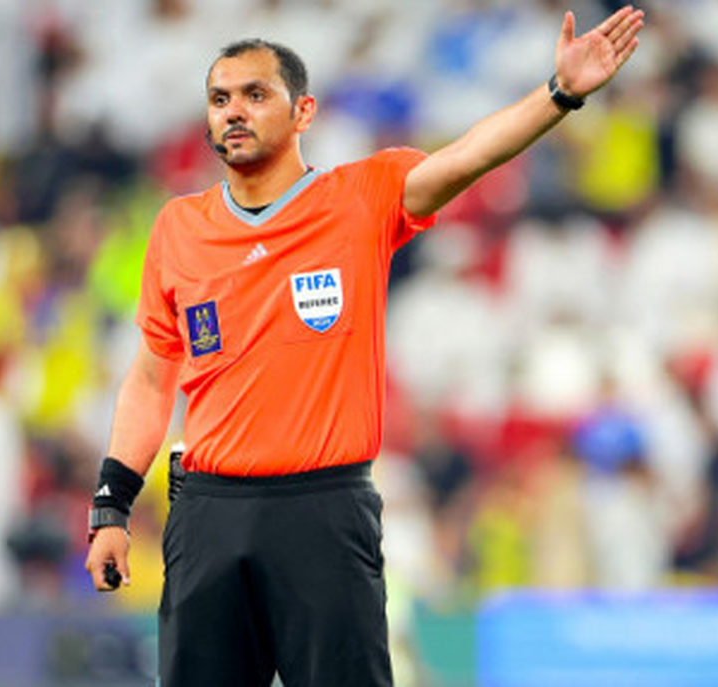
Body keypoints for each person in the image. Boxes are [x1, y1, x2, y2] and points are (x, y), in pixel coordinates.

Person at [86, 6, 645, 686]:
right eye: (220, 98)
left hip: (322, 510)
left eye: (255, 94)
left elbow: (469, 155)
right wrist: (112, 506)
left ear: (304, 111)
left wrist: (559, 93)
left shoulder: (360, 197)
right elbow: (151, 379)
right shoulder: (180, 226)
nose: (233, 111)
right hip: (209, 513)